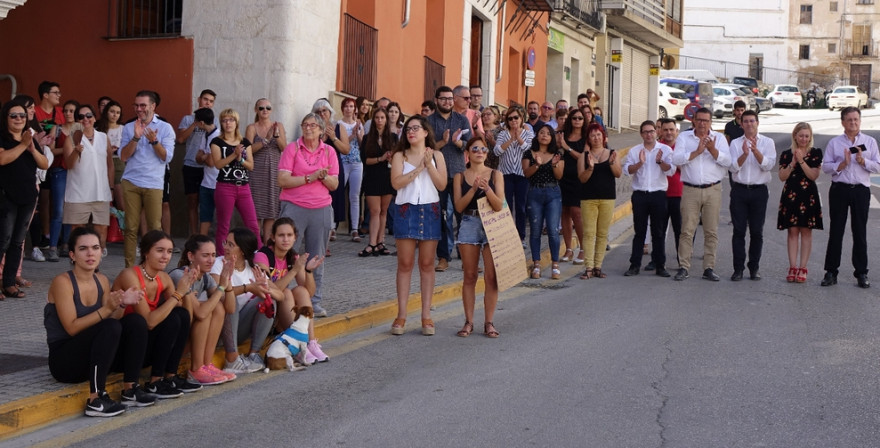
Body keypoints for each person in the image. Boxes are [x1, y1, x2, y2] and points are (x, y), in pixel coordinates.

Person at [44, 227, 145, 417]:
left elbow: (112, 321)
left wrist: (121, 304)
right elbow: (72, 328)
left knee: (134, 321)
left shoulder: (102, 280)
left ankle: (130, 388)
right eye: (83, 249)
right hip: (65, 362)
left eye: (95, 247)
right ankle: (95, 399)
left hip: (92, 357)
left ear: (101, 252)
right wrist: (107, 309)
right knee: (109, 326)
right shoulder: (62, 282)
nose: (90, 253)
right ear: (72, 255)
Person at [112, 230, 202, 398]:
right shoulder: (130, 275)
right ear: (146, 252)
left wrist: (186, 289)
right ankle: (146, 385)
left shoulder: (163, 278)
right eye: (159, 250)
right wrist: (178, 294)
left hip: (145, 349)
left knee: (179, 315)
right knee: (143, 320)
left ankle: (166, 379)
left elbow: (186, 320)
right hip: (123, 352)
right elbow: (149, 322)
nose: (165, 256)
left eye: (169, 251)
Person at [278, 112, 340, 318]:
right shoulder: (292, 148)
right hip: (294, 206)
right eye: (305, 124)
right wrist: (310, 177)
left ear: (322, 130)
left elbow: (334, 184)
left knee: (317, 255)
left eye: (313, 125)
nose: (309, 128)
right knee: (287, 253)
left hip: (321, 208)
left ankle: (314, 301)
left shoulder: (329, 151)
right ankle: (283, 297)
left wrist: (322, 177)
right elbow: (283, 180)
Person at [390, 115, 448, 336]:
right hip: (406, 209)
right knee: (405, 264)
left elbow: (442, 185)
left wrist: (429, 165)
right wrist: (417, 169)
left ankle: (426, 316)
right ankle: (402, 315)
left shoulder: (437, 156)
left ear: (426, 132)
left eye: (416, 128)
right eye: (408, 129)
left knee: (427, 264)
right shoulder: (399, 156)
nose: (411, 132)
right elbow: (396, 183)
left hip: (429, 209)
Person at [820, 107, 880, 288]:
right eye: (849, 120)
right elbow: (825, 167)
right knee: (836, 231)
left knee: (860, 232)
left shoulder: (869, 142)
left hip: (860, 190)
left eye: (856, 119)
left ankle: (861, 273)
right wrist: (842, 164)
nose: (853, 123)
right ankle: (831, 272)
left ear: (860, 121)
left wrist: (864, 162)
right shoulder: (835, 143)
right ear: (843, 122)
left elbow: (878, 166)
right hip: (840, 189)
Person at [254, 218, 328, 363]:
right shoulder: (262, 256)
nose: (285, 239)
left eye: (289, 235)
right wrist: (294, 270)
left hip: (283, 314)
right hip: (265, 314)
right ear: (273, 237)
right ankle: (297, 345)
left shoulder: (292, 256)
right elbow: (272, 290)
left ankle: (310, 343)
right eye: (281, 235)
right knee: (286, 293)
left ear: (295, 238)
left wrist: (308, 271)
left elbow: (309, 293)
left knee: (300, 291)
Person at [671, 107, 731, 281]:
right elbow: (676, 159)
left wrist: (713, 150)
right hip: (690, 189)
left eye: (706, 120)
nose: (703, 124)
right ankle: (684, 266)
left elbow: (728, 161)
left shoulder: (718, 138)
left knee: (711, 231)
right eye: (700, 120)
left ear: (711, 122)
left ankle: (709, 268)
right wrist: (696, 152)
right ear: (694, 121)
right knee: (687, 231)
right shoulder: (684, 137)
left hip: (713, 189)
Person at [212, 228, 282, 373]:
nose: (225, 247)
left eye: (231, 245)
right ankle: (232, 361)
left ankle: (253, 354)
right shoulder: (218, 263)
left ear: (242, 250)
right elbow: (218, 292)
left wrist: (265, 289)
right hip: (219, 330)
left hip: (239, 329)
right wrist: (249, 288)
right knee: (231, 300)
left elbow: (281, 295)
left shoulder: (253, 268)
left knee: (268, 300)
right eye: (226, 243)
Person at [453, 137, 503, 338]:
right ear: (468, 153)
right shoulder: (459, 176)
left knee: (491, 277)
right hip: (469, 222)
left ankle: (489, 322)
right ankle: (469, 322)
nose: (480, 152)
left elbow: (499, 204)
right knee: (470, 275)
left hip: (491, 223)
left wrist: (487, 189)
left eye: (483, 149)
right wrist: (473, 188)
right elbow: (458, 206)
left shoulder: (496, 174)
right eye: (475, 148)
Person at [119, 90, 176, 268]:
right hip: (131, 182)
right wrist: (136, 137)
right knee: (130, 228)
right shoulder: (129, 127)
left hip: (153, 183)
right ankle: (129, 269)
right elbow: (123, 157)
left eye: (142, 105)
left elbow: (166, 157)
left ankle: (152, 268)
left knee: (154, 229)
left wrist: (154, 141)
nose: (138, 109)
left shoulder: (165, 128)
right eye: (136, 105)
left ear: (153, 106)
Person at [170, 235, 236, 385]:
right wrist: (221, 288)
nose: (211, 260)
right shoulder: (180, 275)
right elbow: (200, 313)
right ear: (191, 256)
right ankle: (196, 368)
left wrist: (228, 282)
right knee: (205, 312)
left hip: (187, 333)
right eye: (205, 255)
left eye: (213, 255)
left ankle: (206, 365)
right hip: (171, 337)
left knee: (218, 307)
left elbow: (230, 308)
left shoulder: (205, 277)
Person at [0, 102, 50, 298]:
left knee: (18, 241)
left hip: (28, 196)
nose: (19, 119)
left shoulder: (29, 139)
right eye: (14, 116)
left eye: (22, 115)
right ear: (5, 118)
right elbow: (3, 159)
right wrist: (22, 145)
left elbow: (44, 164)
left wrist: (31, 148)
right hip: (6, 196)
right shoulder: (3, 138)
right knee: (3, 240)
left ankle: (9, 282)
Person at [622, 120, 675, 278]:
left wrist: (660, 162)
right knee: (639, 231)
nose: (649, 134)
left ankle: (660, 265)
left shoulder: (664, 150)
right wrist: (640, 163)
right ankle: (635, 265)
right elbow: (627, 170)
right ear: (641, 134)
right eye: (645, 132)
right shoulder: (635, 151)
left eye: (651, 131)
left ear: (656, 132)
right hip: (640, 194)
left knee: (658, 232)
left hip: (658, 194)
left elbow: (671, 171)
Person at [427, 86, 471, 272]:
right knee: (441, 217)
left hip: (459, 174)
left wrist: (458, 142)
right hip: (438, 176)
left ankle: (466, 256)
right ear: (436, 100)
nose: (447, 102)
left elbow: (471, 144)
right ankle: (443, 257)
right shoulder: (428, 122)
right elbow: (425, 149)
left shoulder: (462, 120)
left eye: (450, 99)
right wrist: (443, 143)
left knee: (464, 216)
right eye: (443, 99)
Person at [727, 110, 775, 281]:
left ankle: (754, 268)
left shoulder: (767, 142)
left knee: (757, 231)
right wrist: (745, 154)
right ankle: (738, 269)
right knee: (739, 231)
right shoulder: (734, 144)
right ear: (741, 124)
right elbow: (732, 167)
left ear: (757, 123)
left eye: (752, 121)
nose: (749, 124)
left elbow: (768, 165)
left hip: (759, 191)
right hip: (740, 190)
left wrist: (756, 152)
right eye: (745, 121)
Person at [62, 105, 114, 249]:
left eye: (89, 115)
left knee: (102, 229)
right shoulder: (71, 139)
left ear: (94, 118)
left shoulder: (103, 137)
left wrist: (111, 187)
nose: (85, 119)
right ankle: (77, 262)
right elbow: (69, 165)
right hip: (78, 192)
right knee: (78, 230)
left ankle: (97, 263)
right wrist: (76, 152)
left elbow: (110, 164)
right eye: (81, 116)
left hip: (101, 192)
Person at [777, 122, 823, 283]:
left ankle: (803, 267)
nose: (803, 139)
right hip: (791, 195)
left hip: (808, 195)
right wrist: (792, 163)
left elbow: (813, 176)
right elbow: (782, 176)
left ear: (810, 137)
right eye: (801, 135)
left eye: (806, 136)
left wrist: (802, 161)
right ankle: (792, 266)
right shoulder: (786, 153)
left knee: (806, 231)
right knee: (792, 232)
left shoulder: (815, 153)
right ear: (795, 135)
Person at [211, 109, 261, 255]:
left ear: (236, 122)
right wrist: (234, 154)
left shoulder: (245, 142)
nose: (228, 123)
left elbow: (251, 166)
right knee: (224, 226)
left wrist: (241, 159)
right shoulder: (217, 142)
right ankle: (221, 257)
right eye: (225, 120)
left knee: (253, 225)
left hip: (243, 187)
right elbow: (218, 164)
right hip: (225, 186)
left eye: (231, 120)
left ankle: (258, 255)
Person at [577, 123, 621, 279]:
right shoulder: (583, 156)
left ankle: (598, 266)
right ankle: (588, 267)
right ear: (588, 138)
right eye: (592, 135)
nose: (596, 138)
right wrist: (590, 167)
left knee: (602, 234)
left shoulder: (612, 153)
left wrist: (610, 163)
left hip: (607, 198)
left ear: (603, 137)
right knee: (589, 233)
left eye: (598, 135)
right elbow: (582, 179)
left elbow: (618, 174)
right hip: (588, 198)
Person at [523, 124, 564, 279]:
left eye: (548, 133)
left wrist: (554, 164)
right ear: (537, 135)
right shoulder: (529, 153)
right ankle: (537, 264)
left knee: (553, 230)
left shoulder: (557, 154)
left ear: (552, 137)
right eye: (541, 133)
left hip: (553, 192)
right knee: (535, 230)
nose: (544, 135)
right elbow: (526, 173)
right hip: (535, 192)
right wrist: (537, 165)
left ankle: (555, 264)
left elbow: (559, 176)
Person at [246, 98, 287, 244]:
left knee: (271, 212)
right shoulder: (252, 127)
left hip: (274, 172)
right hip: (256, 173)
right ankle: (255, 244)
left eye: (268, 108)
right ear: (256, 110)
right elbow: (248, 150)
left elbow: (284, 148)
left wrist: (276, 136)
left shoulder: (278, 126)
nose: (265, 110)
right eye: (261, 108)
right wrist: (266, 140)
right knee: (256, 212)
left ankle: (267, 245)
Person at [177, 89, 217, 236]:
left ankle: (205, 234)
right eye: (205, 99)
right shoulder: (188, 119)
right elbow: (181, 139)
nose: (208, 103)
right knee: (193, 201)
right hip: (191, 165)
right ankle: (194, 234)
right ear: (199, 100)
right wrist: (195, 123)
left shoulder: (215, 121)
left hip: (209, 168)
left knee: (207, 202)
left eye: (211, 101)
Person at [45, 100, 80, 262]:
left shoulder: (81, 129)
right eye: (65, 110)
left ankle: (66, 244)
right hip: (60, 170)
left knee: (70, 209)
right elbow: (51, 150)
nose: (68, 113)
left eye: (71, 111)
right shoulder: (57, 129)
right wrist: (69, 149)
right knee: (58, 209)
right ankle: (53, 246)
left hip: (77, 172)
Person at [358, 108, 396, 256]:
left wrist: (391, 158)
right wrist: (380, 159)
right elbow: (365, 160)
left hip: (387, 177)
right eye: (377, 118)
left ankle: (381, 242)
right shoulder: (368, 138)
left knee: (384, 211)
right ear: (373, 120)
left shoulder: (393, 137)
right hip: (372, 177)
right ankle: (372, 243)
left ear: (386, 120)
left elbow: (398, 157)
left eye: (382, 118)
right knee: (375, 211)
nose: (379, 120)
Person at [493, 106, 533, 244]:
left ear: (522, 119)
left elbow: (529, 151)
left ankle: (521, 237)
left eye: (516, 117)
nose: (513, 121)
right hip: (506, 173)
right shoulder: (503, 135)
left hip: (522, 174)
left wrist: (519, 139)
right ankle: (507, 236)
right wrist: (510, 140)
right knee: (507, 206)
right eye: (510, 118)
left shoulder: (528, 134)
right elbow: (497, 151)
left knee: (521, 207)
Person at [313, 99, 349, 251]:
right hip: (316, 170)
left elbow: (346, 149)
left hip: (334, 170)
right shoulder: (312, 128)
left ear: (330, 112)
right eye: (319, 112)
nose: (322, 114)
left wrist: (333, 137)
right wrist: (322, 139)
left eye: (324, 111)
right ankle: (319, 243)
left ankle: (326, 242)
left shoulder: (339, 127)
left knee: (332, 204)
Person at [557, 108, 587, 265]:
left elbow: (583, 157)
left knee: (577, 212)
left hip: (578, 179)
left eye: (580, 118)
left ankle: (583, 248)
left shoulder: (585, 137)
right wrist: (560, 145)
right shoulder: (564, 135)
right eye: (574, 118)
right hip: (563, 178)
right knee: (565, 212)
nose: (577, 120)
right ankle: (568, 248)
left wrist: (567, 147)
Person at [655, 118, 683, 270]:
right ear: (660, 131)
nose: (669, 133)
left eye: (671, 129)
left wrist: (678, 163)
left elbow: (688, 168)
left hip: (679, 194)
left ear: (676, 131)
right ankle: (658, 261)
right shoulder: (657, 148)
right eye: (665, 130)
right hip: (661, 194)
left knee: (680, 231)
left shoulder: (682, 148)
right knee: (659, 230)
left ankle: (682, 261)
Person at [337, 97, 365, 242]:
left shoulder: (359, 124)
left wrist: (358, 133)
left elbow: (362, 144)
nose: (349, 109)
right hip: (342, 162)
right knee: (338, 194)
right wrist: (352, 134)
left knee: (354, 196)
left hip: (356, 162)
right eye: (346, 106)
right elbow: (341, 143)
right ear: (343, 109)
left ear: (355, 109)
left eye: (351, 106)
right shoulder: (338, 124)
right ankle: (332, 227)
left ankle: (354, 229)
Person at [194, 108, 220, 235]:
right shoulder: (205, 135)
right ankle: (201, 242)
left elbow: (211, 162)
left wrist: (204, 157)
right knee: (204, 216)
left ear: (202, 123)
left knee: (220, 218)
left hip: (217, 183)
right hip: (206, 183)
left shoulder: (217, 136)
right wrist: (205, 156)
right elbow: (198, 158)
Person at [96, 100, 125, 212]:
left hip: (118, 162)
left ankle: (123, 228)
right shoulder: (98, 129)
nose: (114, 115)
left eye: (118, 112)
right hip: (102, 163)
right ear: (106, 112)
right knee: (105, 203)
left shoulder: (123, 128)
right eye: (112, 111)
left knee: (122, 203)